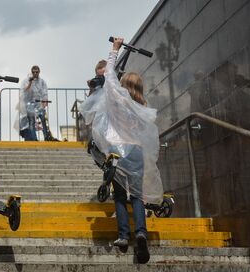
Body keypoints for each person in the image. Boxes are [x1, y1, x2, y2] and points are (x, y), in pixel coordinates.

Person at [81, 37, 164, 264]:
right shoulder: (142, 107)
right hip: (136, 152)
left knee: (119, 195)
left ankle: (123, 236)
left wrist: (114, 49)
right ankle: (141, 232)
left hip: (117, 151)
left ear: (124, 85)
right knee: (137, 196)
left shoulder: (116, 97)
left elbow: (108, 74)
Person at [18, 65, 50, 141]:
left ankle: (46, 136)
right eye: (33, 72)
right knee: (31, 121)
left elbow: (44, 91)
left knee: (43, 119)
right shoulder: (26, 80)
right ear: (31, 72)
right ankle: (34, 138)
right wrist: (30, 83)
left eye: (37, 72)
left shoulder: (42, 81)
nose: (35, 73)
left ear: (39, 72)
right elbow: (24, 91)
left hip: (39, 103)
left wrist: (45, 101)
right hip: (29, 103)